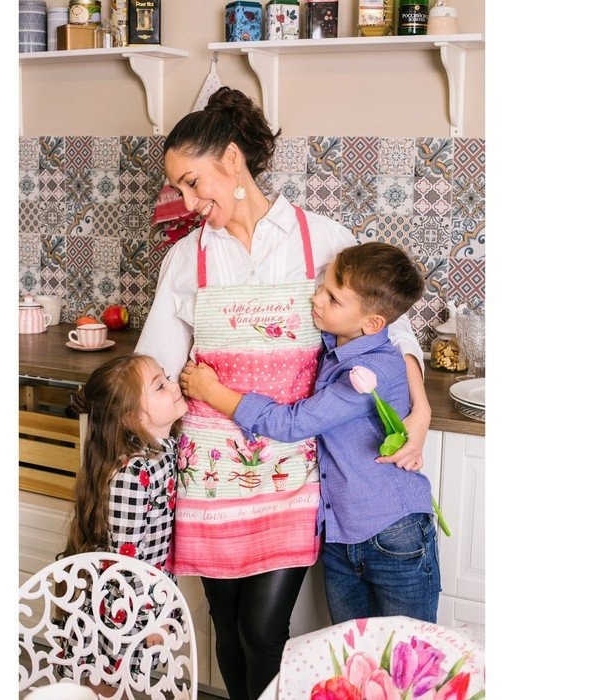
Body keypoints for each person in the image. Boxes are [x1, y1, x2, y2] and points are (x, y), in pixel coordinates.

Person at [134, 86, 432, 700]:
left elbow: (390, 332)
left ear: (232, 160)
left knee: (263, 629)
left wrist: (421, 409)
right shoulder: (186, 258)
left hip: (293, 467)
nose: (187, 202)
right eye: (179, 189)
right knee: (226, 625)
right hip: (210, 473)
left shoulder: (321, 239)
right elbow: (154, 364)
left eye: (192, 183)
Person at [180, 242, 440, 625]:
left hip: (394, 534)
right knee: (350, 652)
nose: (316, 299)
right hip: (341, 536)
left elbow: (293, 423)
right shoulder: (337, 342)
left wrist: (213, 393)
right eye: (322, 286)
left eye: (333, 298)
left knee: (409, 653)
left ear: (372, 324)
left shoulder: (370, 372)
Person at [58, 353, 188, 694]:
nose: (174, 385)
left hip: (147, 595)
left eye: (166, 377)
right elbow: (124, 563)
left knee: (127, 685)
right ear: (134, 418)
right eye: (160, 386)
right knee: (108, 687)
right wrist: (149, 620)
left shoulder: (164, 448)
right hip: (121, 606)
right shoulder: (132, 475)